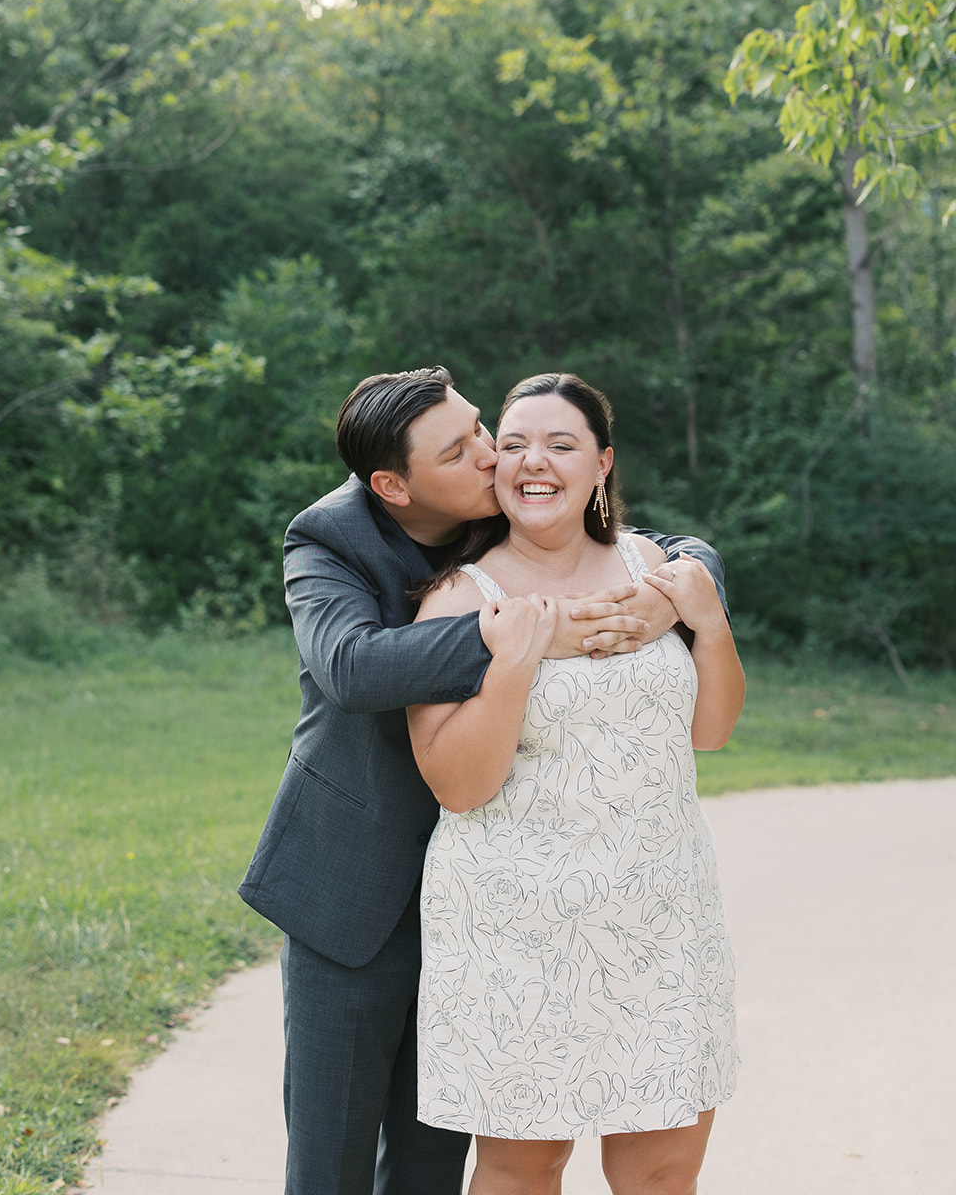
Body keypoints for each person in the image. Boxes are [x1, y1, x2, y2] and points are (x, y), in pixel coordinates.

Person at [239, 366, 730, 1195]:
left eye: (481, 432)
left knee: (434, 1168)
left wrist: (688, 595)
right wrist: (542, 637)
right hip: (358, 885)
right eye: (465, 448)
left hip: (501, 910)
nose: (488, 458)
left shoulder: (529, 506)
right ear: (395, 485)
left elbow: (657, 546)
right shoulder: (330, 538)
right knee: (331, 1164)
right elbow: (353, 668)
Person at [408, 372, 744, 1195]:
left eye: (562, 444)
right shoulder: (460, 598)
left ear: (602, 464)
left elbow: (712, 730)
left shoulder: (652, 567)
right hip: (517, 926)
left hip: (660, 912)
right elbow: (458, 786)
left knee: (662, 1167)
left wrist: (708, 618)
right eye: (514, 444)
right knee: (525, 1166)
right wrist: (514, 663)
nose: (534, 462)